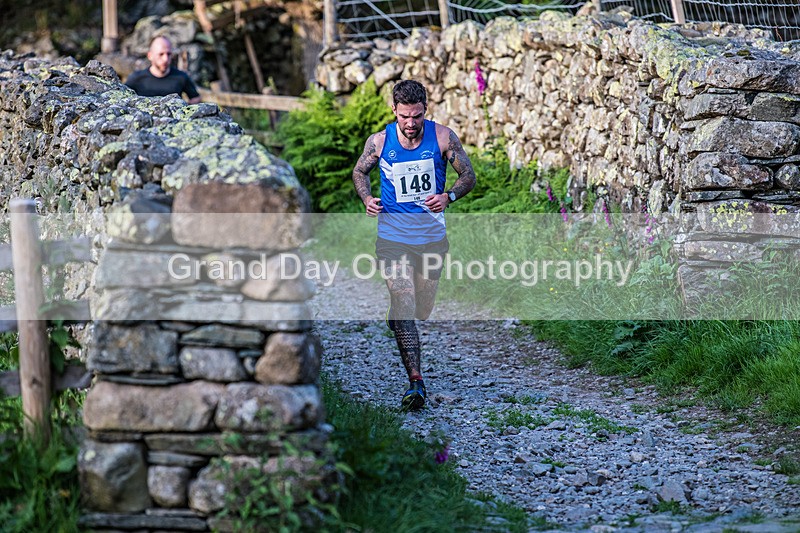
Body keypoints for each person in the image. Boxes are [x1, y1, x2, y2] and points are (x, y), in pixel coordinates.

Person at [352, 80, 476, 411]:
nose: (410, 123)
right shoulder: (379, 142)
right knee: (404, 301)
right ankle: (416, 382)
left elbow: (469, 175)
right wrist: (367, 198)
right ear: (394, 110)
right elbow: (359, 172)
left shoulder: (442, 137)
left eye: (417, 116)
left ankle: (400, 315)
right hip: (392, 238)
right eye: (404, 116)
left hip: (431, 239)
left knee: (423, 308)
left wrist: (448, 196)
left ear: (425, 110)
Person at [126, 36, 201, 104]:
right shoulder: (136, 78)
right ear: (150, 56)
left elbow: (195, 98)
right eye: (161, 54)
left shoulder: (181, 77)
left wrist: (186, 110)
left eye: (168, 54)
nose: (165, 59)